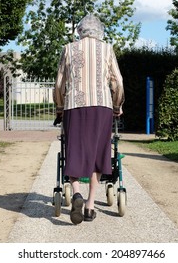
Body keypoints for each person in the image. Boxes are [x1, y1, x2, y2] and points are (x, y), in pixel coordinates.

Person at [53, 14, 124, 225]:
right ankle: (90, 205)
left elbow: (59, 84)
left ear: (80, 31)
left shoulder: (69, 49)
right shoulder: (107, 49)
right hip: (102, 106)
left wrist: (59, 108)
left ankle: (76, 193)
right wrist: (117, 105)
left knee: (74, 150)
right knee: (98, 154)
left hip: (74, 105)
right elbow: (118, 81)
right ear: (99, 31)